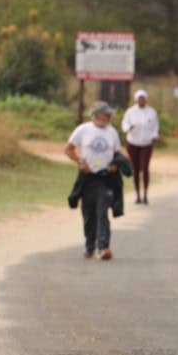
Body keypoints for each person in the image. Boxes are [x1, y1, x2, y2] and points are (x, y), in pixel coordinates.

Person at [65, 101, 127, 260]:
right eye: (106, 114)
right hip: (87, 178)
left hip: (105, 178)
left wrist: (115, 164)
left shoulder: (112, 132)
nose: (109, 116)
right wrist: (80, 162)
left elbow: (117, 153)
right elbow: (68, 149)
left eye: (109, 114)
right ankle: (89, 245)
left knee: (102, 212)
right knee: (88, 214)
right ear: (96, 115)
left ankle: (103, 247)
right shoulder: (83, 130)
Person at [121, 89, 159, 205]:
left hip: (146, 143)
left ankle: (145, 194)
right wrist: (128, 128)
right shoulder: (130, 111)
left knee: (145, 167)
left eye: (143, 98)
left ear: (146, 99)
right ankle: (137, 195)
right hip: (133, 142)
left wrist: (154, 136)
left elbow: (155, 127)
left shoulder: (151, 112)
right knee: (135, 169)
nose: (141, 100)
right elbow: (124, 124)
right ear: (136, 99)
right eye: (139, 98)